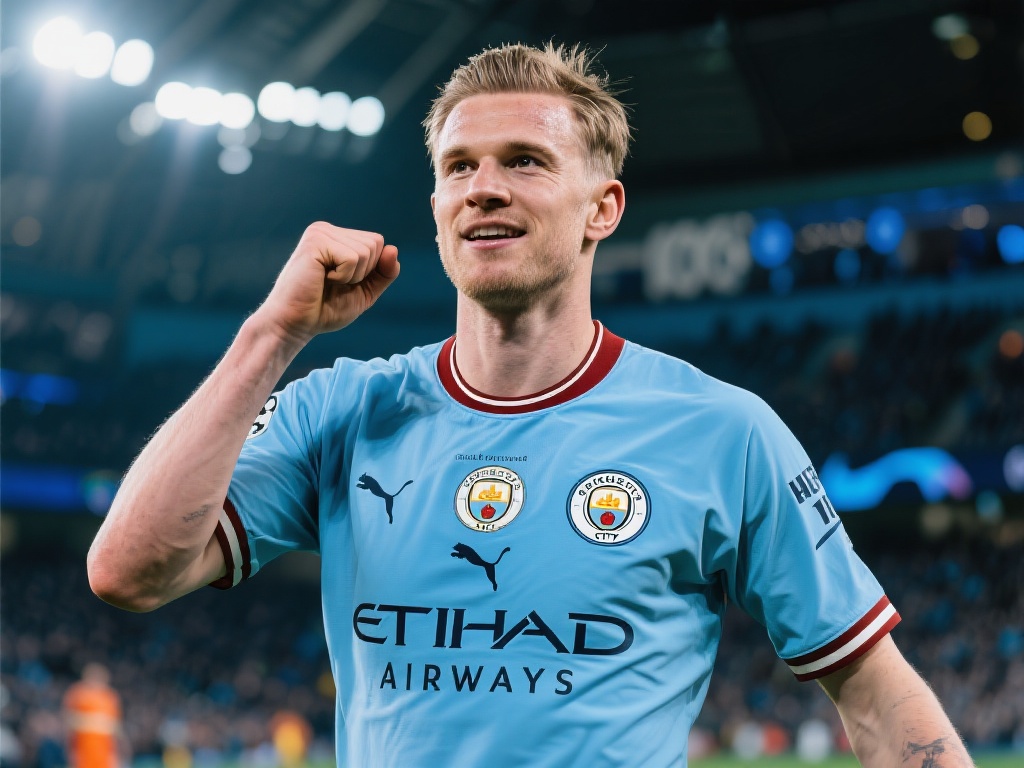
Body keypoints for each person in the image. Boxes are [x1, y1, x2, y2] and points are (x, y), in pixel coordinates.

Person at [88, 42, 974, 767]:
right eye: (459, 167)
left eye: (525, 161)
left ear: (603, 208)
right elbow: (129, 572)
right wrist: (271, 336)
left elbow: (875, 694)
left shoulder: (722, 432)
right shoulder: (341, 409)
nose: (484, 186)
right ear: (438, 205)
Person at [62, 663, 124, 768]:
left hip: (105, 750)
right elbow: (68, 719)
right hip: (83, 748)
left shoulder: (110, 697)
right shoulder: (78, 694)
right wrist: (96, 722)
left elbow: (115, 725)